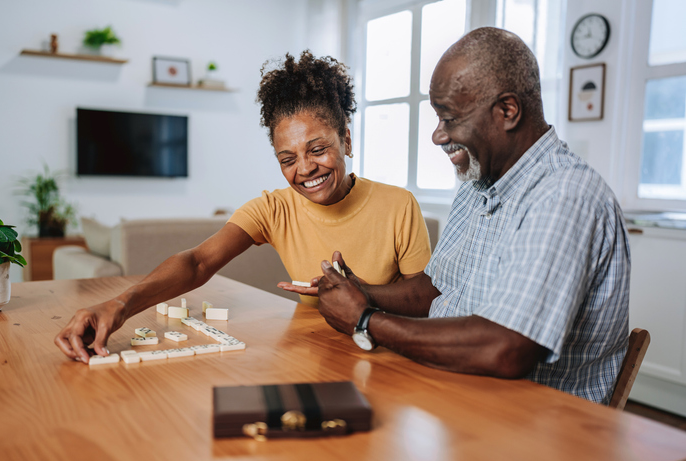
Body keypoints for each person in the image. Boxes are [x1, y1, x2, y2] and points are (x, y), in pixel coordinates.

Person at [316, 28, 630, 405]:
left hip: (537, 433)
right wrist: (362, 292)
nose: (436, 135)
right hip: (457, 399)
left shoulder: (564, 195)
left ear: (507, 111)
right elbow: (437, 290)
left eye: (449, 118)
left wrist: (365, 320)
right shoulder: (478, 181)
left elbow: (506, 347)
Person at [54, 51, 432, 363]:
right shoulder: (272, 210)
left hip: (386, 355)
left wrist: (362, 293)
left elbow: (425, 296)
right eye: (287, 158)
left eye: (318, 149)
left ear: (346, 139)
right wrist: (119, 305)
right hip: (315, 355)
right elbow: (197, 262)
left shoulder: (398, 204)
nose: (304, 169)